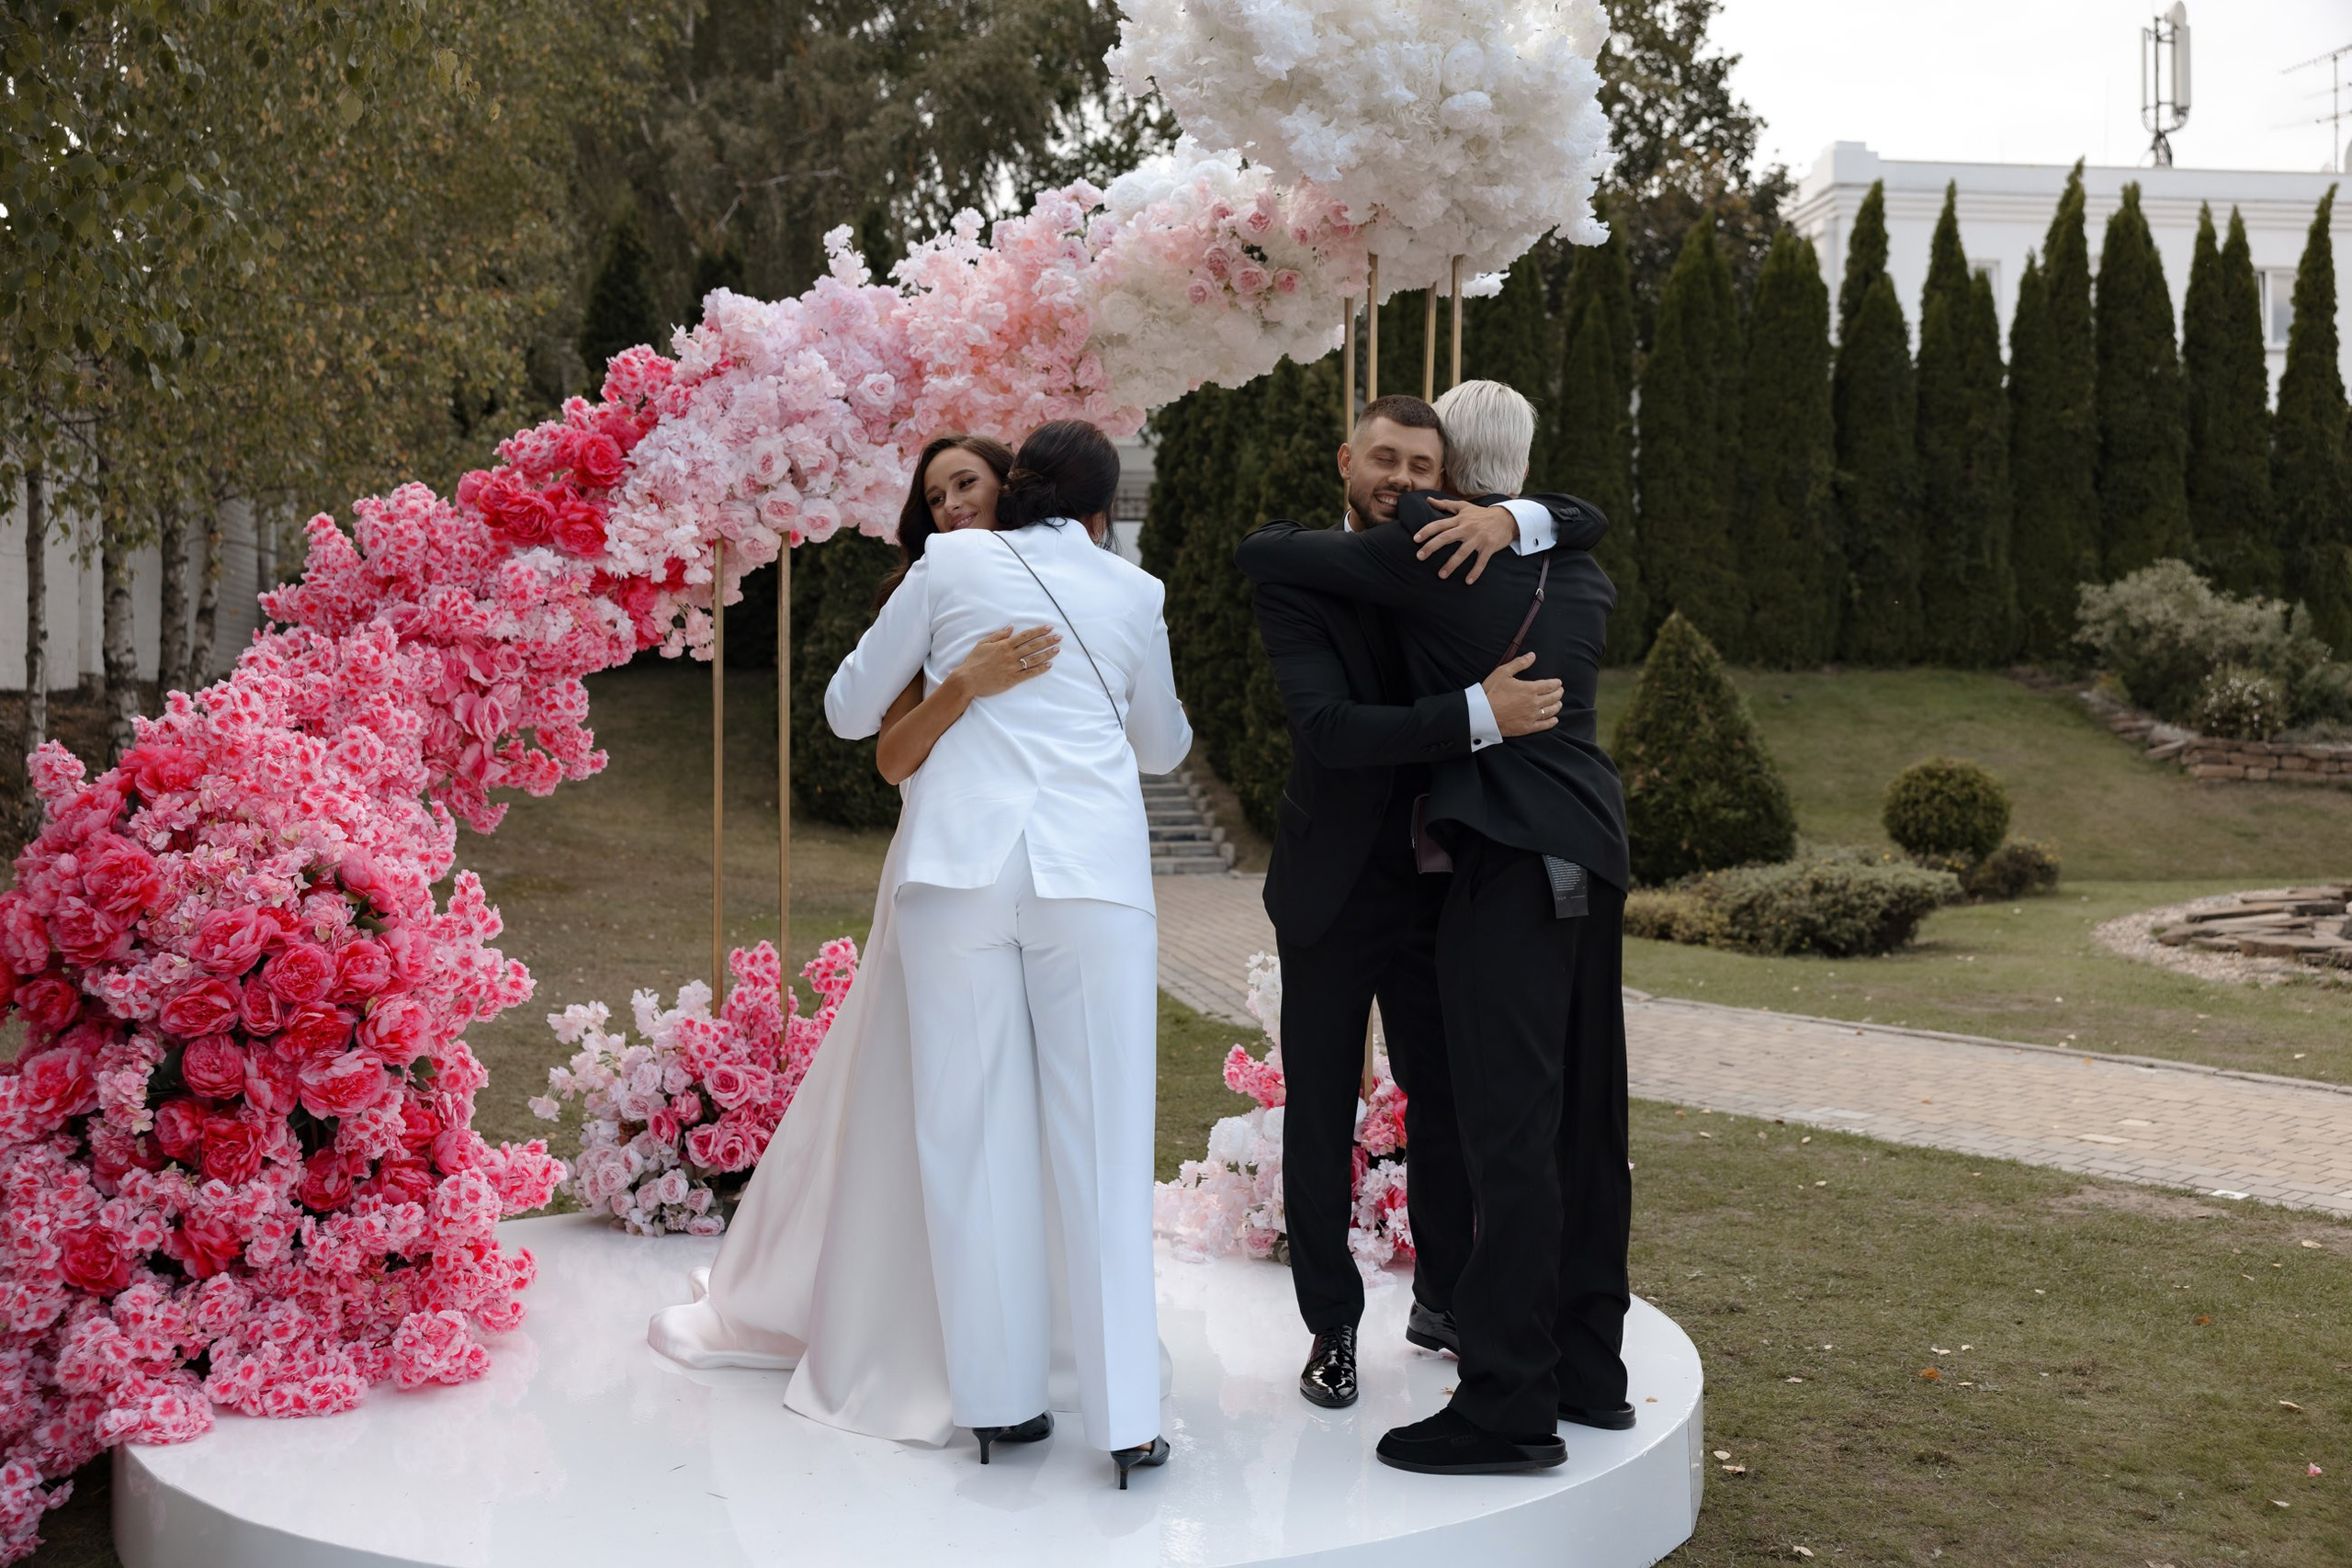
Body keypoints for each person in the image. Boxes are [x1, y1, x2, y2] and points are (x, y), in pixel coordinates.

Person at [646, 433, 1090, 1453]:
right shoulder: (930, 590)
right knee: (909, 1088)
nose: (950, 506)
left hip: (1053, 888)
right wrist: (964, 684)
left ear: (1009, 487)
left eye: (965, 483)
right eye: (934, 496)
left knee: (1033, 1093)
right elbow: (885, 751)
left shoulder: (1076, 590)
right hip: (940, 878)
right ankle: (898, 1320)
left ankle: (1045, 1329)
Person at [1234, 379, 1630, 1477]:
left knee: (1460, 1113)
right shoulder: (1335, 567)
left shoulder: (1461, 549)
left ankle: (1456, 1314)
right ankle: (1333, 1330)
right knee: (1323, 1109)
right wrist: (1473, 714)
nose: (1402, 483)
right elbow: (1321, 718)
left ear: (1449, 476)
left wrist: (1512, 517)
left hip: (1445, 887)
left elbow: (1577, 510)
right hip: (1336, 883)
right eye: (1384, 462)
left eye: (1422, 467)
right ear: (1346, 465)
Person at [825, 419, 1190, 1490]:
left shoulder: (952, 561)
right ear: (1101, 510)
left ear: (1015, 489)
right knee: (1106, 1147)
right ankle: (1126, 1421)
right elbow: (1162, 747)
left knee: (970, 1135)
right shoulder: (1137, 593)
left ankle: (999, 1405)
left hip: (960, 875)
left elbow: (852, 711)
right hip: (1090, 880)